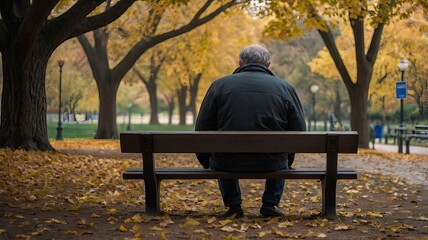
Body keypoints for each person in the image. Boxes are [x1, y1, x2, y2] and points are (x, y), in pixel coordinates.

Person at [195, 44, 306, 217]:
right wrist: (288, 159)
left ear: (240, 63)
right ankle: (270, 203)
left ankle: (233, 205)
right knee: (280, 154)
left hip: (227, 162)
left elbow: (203, 127)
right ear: (268, 65)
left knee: (222, 154)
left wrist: (206, 161)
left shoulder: (219, 85)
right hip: (272, 162)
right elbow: (298, 131)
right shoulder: (285, 88)